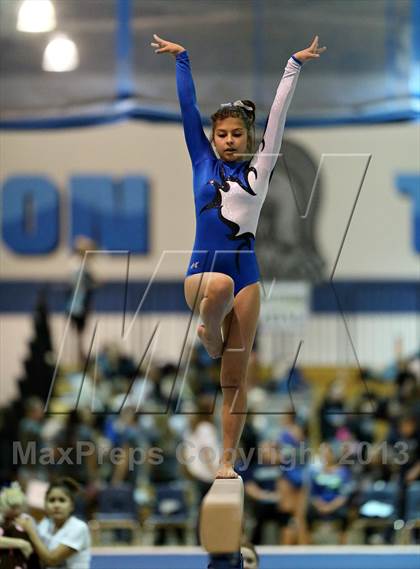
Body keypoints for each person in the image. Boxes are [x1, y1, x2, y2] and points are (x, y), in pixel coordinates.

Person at [150, 33, 326, 479]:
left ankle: (227, 459)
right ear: (213, 138)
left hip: (248, 278)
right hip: (202, 276)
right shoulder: (201, 163)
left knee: (234, 379)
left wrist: (293, 65)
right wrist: (182, 61)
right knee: (220, 286)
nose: (228, 140)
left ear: (249, 138)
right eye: (221, 134)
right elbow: (187, 111)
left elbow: (279, 117)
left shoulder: (260, 169)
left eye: (236, 134)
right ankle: (209, 331)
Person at [16, 477, 91, 569]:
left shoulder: (79, 527)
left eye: (62, 500)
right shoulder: (45, 525)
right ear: (45, 505)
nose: (56, 505)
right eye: (52, 500)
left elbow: (51, 560)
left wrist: (31, 531)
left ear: (72, 506)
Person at [0, 482, 41, 569]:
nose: (16, 511)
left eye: (18, 507)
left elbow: (33, 546)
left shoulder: (27, 519)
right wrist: (21, 543)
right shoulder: (1, 519)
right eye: (12, 507)